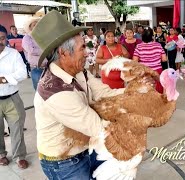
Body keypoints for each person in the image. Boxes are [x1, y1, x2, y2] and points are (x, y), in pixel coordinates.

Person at [30, 11, 153, 179]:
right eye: (82, 48)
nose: (87, 53)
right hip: (64, 163)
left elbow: (105, 93)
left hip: (85, 147)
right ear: (63, 53)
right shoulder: (56, 91)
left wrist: (136, 92)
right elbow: (97, 127)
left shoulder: (78, 71)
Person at [0, 24, 28, 169]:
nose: (0, 41)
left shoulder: (13, 54)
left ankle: (19, 156)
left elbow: (23, 73)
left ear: (6, 39)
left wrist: (3, 79)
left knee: (17, 128)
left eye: (2, 38)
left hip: (12, 97)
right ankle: (1, 154)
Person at [133, 28, 167, 93]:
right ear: (152, 36)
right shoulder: (158, 45)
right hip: (157, 72)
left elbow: (134, 61)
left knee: (145, 93)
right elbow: (164, 59)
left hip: (144, 72)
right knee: (158, 92)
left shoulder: (139, 46)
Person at [22, 17, 47, 90]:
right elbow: (32, 50)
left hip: (47, 67)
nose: (36, 26)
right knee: (39, 91)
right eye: (34, 25)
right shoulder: (27, 38)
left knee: (48, 90)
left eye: (37, 24)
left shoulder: (42, 37)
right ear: (30, 27)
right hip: (37, 68)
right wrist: (45, 50)